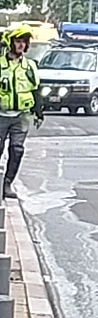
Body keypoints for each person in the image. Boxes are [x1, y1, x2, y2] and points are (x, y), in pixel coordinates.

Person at [0, 25, 44, 199]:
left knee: (17, 150)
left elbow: (36, 90)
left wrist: (39, 113)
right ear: (10, 43)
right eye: (18, 41)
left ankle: (7, 185)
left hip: (22, 116)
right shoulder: (1, 64)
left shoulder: (30, 66)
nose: (21, 45)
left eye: (24, 42)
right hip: (1, 115)